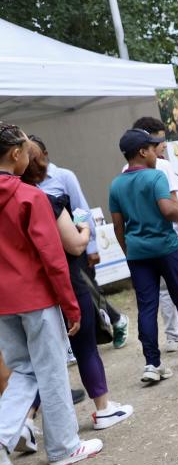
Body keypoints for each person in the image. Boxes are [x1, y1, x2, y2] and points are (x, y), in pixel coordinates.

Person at [0, 122, 102, 465]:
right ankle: (63, 447)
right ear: (15, 155)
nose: (32, 156)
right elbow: (53, 257)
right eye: (28, 151)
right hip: (36, 298)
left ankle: (0, 440)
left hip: (3, 302)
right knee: (52, 371)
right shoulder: (31, 196)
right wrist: (71, 304)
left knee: (23, 370)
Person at [22, 141, 134, 428]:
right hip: (68, 276)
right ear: (41, 163)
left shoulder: (19, 197)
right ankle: (103, 407)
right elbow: (75, 239)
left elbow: (80, 208)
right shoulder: (48, 201)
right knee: (84, 346)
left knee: (40, 358)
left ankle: (26, 421)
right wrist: (84, 231)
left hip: (32, 286)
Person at [109, 129, 178, 383]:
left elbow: (118, 226)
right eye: (154, 148)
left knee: (146, 307)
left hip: (137, 253)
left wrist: (128, 250)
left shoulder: (116, 184)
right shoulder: (154, 177)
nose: (157, 152)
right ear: (142, 152)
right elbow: (167, 210)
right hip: (166, 248)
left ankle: (152, 363)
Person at [32, 135, 130, 348]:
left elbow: (79, 209)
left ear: (45, 155)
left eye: (35, 155)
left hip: (75, 246)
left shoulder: (63, 176)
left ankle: (116, 320)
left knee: (89, 290)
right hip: (49, 252)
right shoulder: (26, 183)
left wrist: (90, 244)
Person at [130, 117, 178, 354]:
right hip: (169, 235)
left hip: (142, 243)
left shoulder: (124, 172)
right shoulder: (160, 167)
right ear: (147, 144)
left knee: (162, 291)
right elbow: (174, 203)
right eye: (159, 141)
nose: (163, 145)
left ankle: (172, 337)